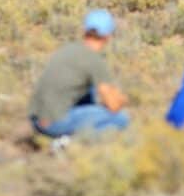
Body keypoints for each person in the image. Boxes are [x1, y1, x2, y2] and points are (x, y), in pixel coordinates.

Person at [28, 9, 129, 140]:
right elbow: (113, 105)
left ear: (85, 31)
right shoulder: (94, 60)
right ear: (108, 36)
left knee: (89, 90)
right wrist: (122, 99)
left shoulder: (67, 50)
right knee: (120, 119)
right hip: (54, 123)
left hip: (36, 121)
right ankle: (71, 143)